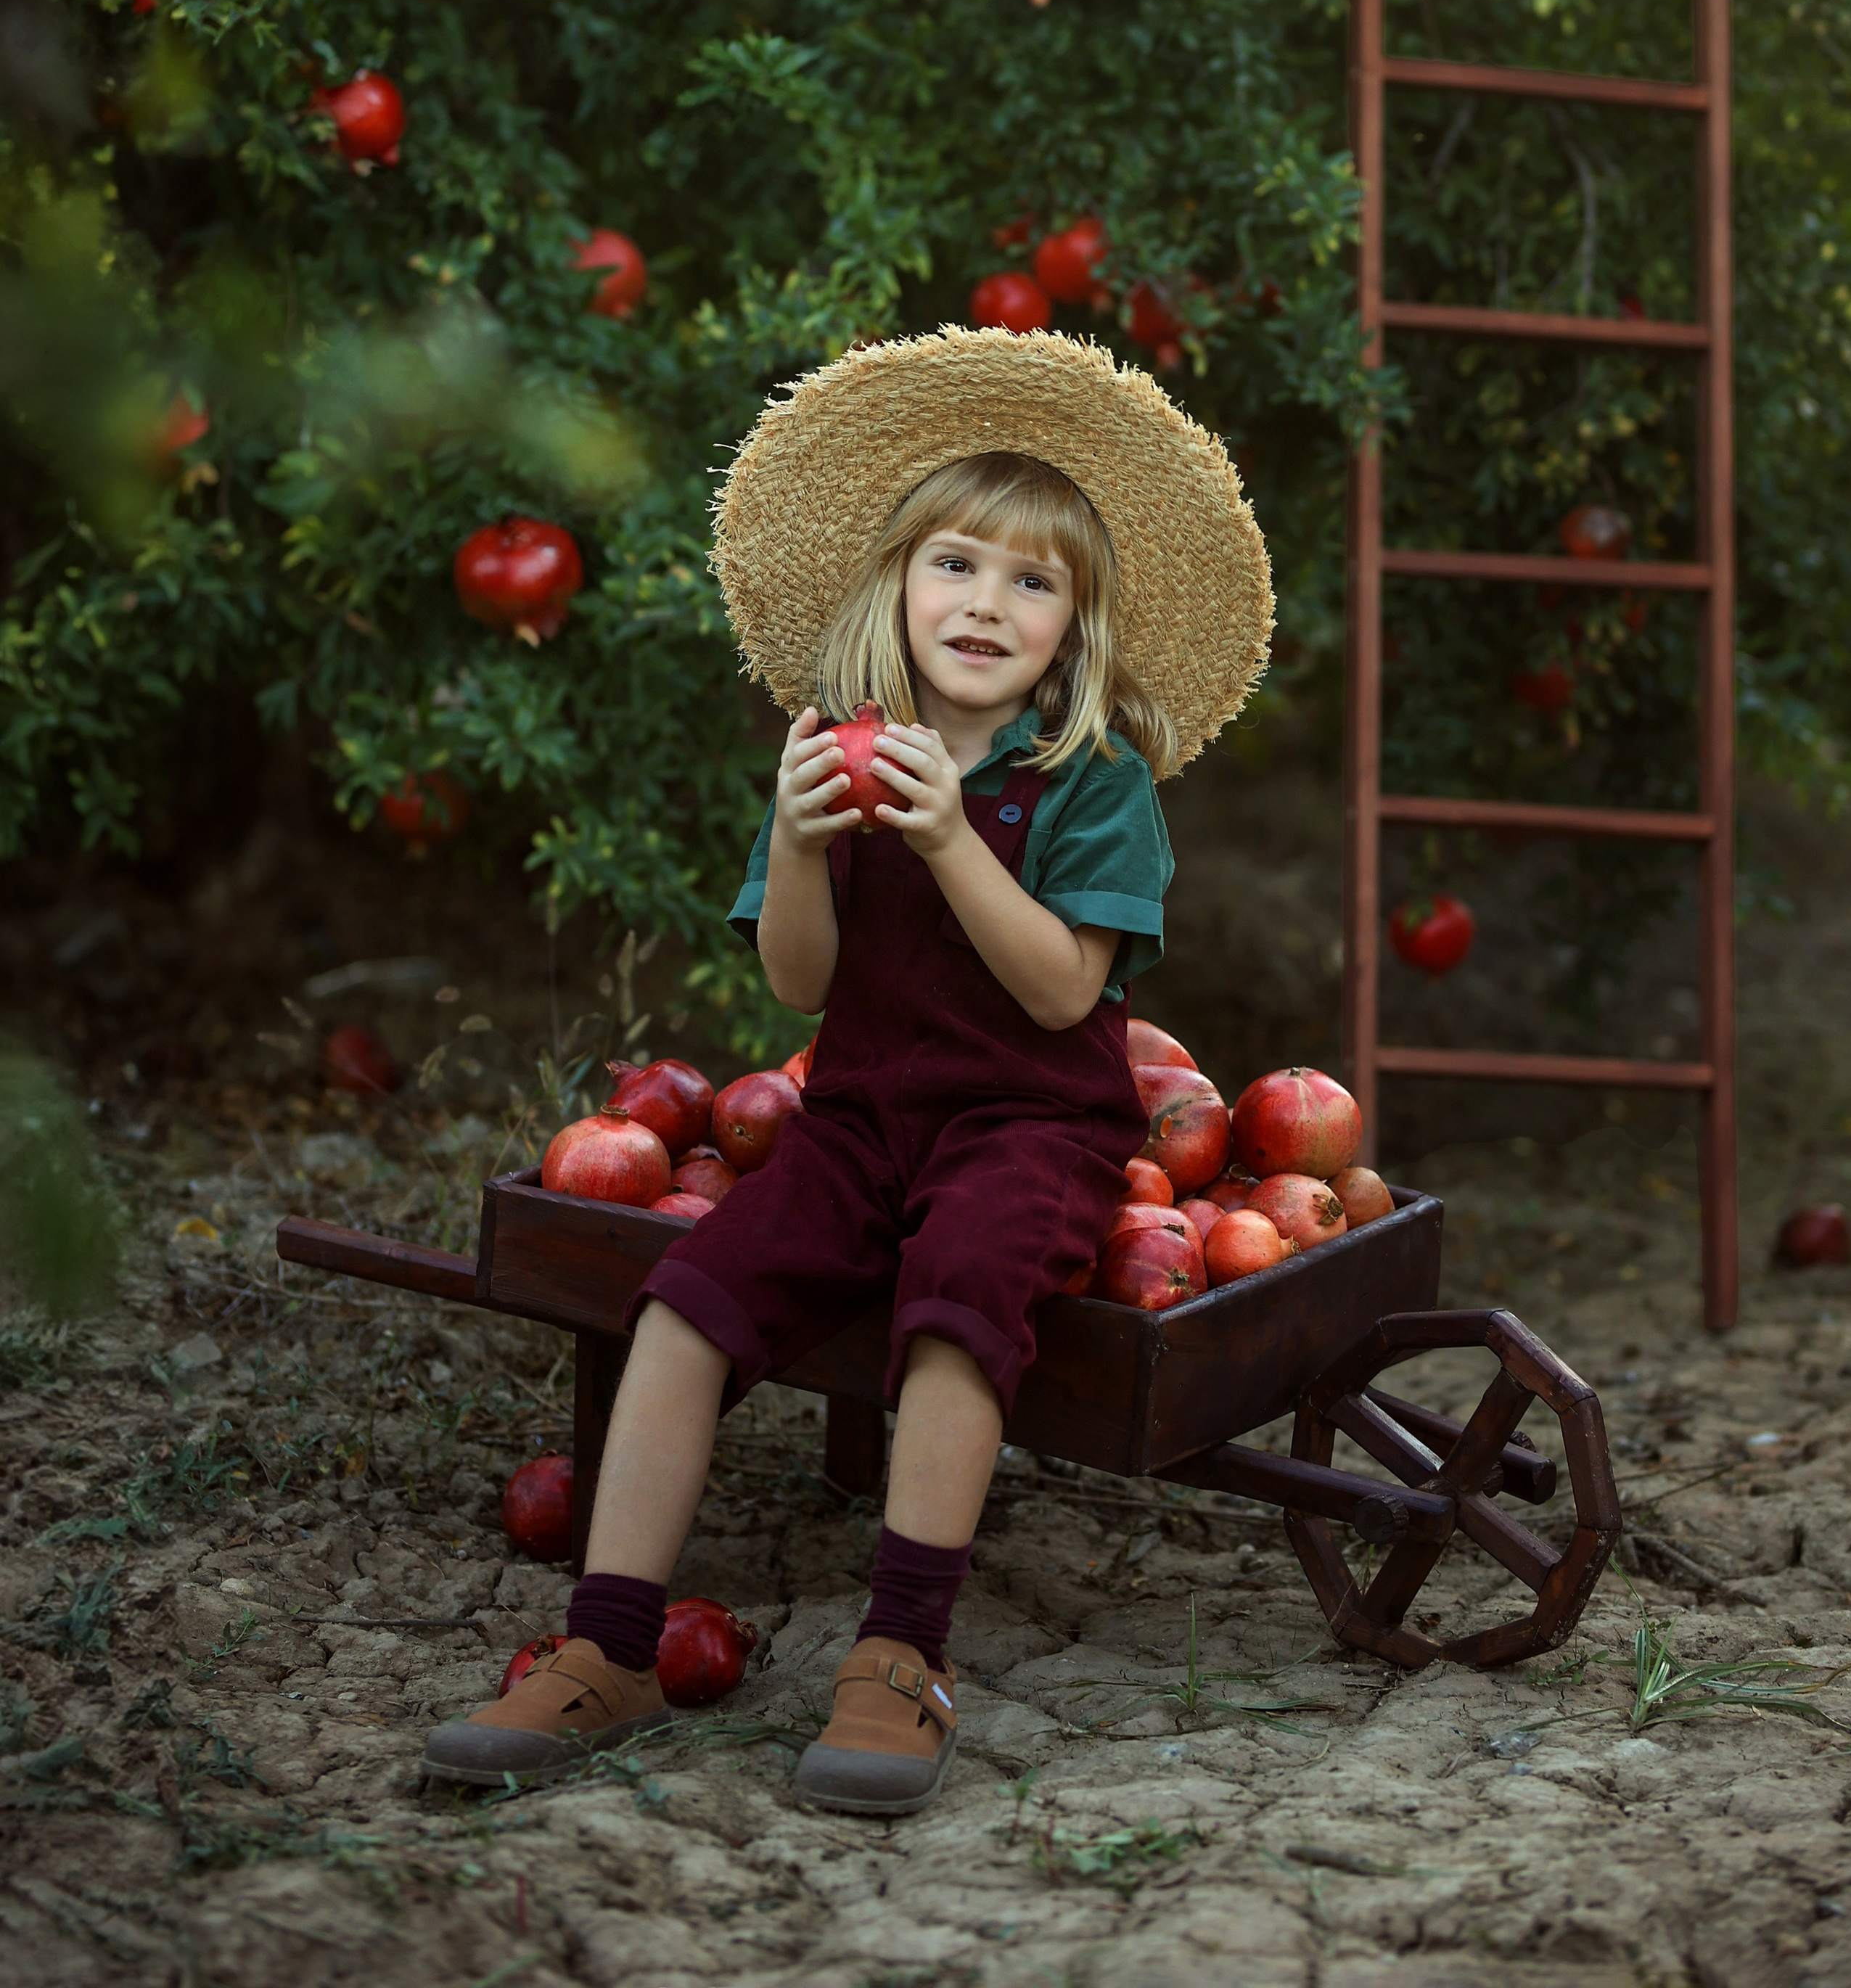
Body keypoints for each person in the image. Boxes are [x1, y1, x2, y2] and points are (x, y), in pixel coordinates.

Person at [422, 325, 1271, 1810]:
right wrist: (806, 838)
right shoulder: (836, 752)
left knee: (955, 1310)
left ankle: (900, 1655)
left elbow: (1062, 988)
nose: (986, 602)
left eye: (1033, 582)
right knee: (684, 1305)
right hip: (861, 1117)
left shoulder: (1091, 784)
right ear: (894, 587)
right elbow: (801, 984)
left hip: (1030, 1128)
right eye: (955, 564)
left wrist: (946, 837)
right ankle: (608, 1646)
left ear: (1073, 629)